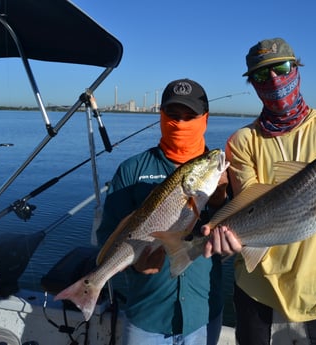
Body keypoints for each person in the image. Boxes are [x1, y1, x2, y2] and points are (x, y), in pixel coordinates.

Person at [202, 38, 316, 345]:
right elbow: (252, 201)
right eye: (262, 75)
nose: (274, 80)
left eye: (282, 68)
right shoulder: (242, 141)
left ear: (297, 69)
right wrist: (221, 232)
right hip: (258, 294)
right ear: (252, 84)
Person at [96, 78, 227, 345]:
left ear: (205, 118)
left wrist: (220, 200)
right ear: (161, 115)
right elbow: (108, 234)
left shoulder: (224, 174)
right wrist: (134, 266)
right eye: (173, 115)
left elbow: (242, 229)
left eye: (190, 116)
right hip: (147, 314)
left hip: (203, 312)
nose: (180, 123)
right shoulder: (132, 170)